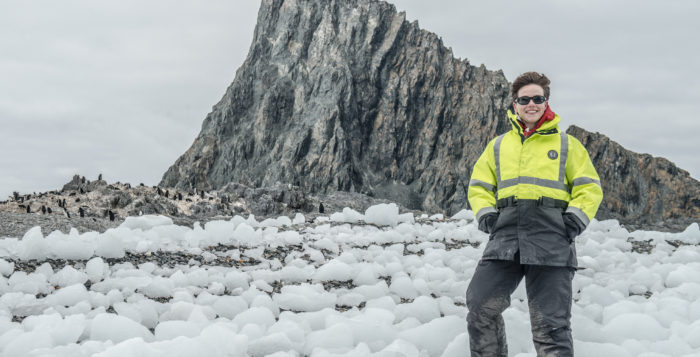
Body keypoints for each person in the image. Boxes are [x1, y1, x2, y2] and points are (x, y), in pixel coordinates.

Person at [466, 71, 603, 356]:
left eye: (537, 98)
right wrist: (487, 215)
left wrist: (573, 221)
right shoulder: (499, 145)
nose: (531, 104)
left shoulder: (567, 145)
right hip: (505, 237)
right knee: (480, 307)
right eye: (524, 99)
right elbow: (479, 185)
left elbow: (589, 187)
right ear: (514, 104)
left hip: (551, 238)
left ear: (546, 102)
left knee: (550, 326)